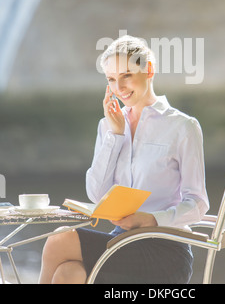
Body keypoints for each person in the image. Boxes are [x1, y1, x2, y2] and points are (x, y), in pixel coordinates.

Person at [39, 35, 209, 284]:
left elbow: (198, 203)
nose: (119, 88)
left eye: (126, 75)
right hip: (121, 240)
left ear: (148, 70)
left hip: (166, 249)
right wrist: (115, 135)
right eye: (111, 79)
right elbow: (97, 195)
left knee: (59, 241)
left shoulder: (182, 126)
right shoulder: (108, 126)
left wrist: (151, 219)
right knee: (68, 273)